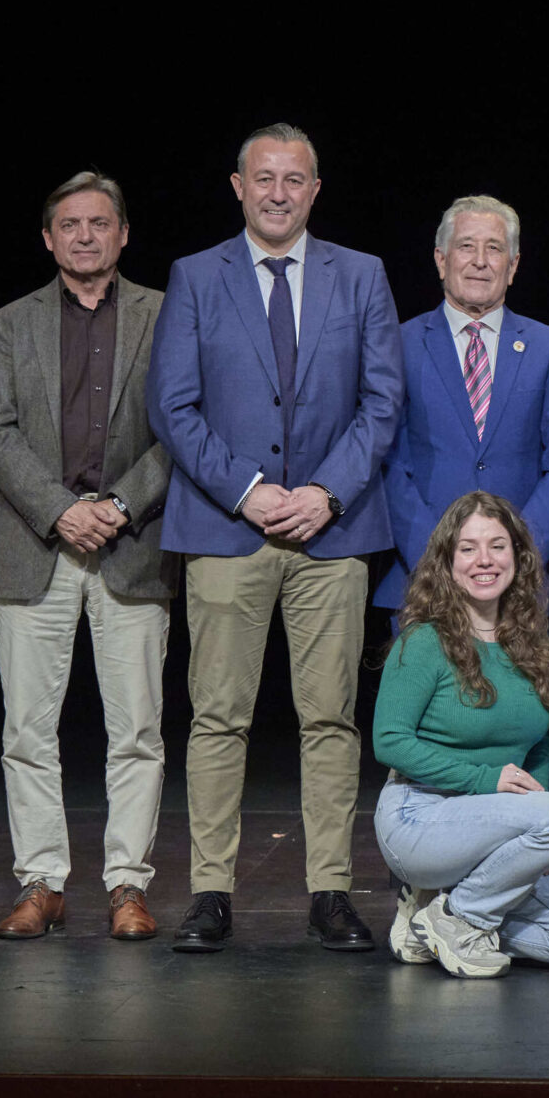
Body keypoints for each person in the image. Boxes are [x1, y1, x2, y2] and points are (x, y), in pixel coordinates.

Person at [147, 124, 402, 955]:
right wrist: (248, 490)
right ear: (238, 185)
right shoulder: (196, 276)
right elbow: (172, 405)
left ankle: (331, 890)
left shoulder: (360, 274)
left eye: (295, 179)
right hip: (228, 529)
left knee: (329, 718)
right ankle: (209, 892)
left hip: (332, 530)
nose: (279, 192)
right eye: (265, 177)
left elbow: (382, 401)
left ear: (315, 189)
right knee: (219, 716)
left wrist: (325, 492)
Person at [0, 172, 174, 943]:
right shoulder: (10, 321)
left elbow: (181, 428)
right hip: (37, 541)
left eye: (99, 223)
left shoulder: (165, 313)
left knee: (138, 730)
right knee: (27, 729)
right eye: (70, 224)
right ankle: (42, 882)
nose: (85, 235)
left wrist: (119, 505)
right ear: (48, 237)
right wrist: (62, 509)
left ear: (123, 233)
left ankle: (128, 883)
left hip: (133, 540)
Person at [372, 492, 549, 978]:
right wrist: (496, 786)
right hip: (421, 815)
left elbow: (537, 743)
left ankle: (433, 918)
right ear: (447, 562)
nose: (485, 560)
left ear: (517, 557)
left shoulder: (530, 642)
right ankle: (461, 916)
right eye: (469, 548)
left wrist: (546, 837)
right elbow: (389, 741)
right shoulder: (424, 640)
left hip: (502, 824)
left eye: (497, 546)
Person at [378, 195, 549, 611]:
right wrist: (438, 560)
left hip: (525, 592)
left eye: (494, 248)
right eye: (466, 246)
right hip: (423, 584)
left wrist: (515, 556)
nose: (480, 261)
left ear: (513, 266)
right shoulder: (398, 344)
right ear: (441, 260)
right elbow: (388, 463)